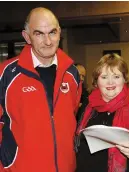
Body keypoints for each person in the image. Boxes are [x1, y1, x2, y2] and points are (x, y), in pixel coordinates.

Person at [0, 7, 82, 172]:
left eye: (52, 32)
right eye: (39, 34)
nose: (48, 41)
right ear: (27, 37)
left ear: (59, 32)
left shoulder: (72, 73)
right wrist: (7, 161)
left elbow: (71, 115)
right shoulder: (6, 74)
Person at [75, 53, 129, 172]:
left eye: (116, 76)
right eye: (104, 77)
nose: (110, 82)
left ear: (125, 79)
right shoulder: (87, 107)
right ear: (96, 81)